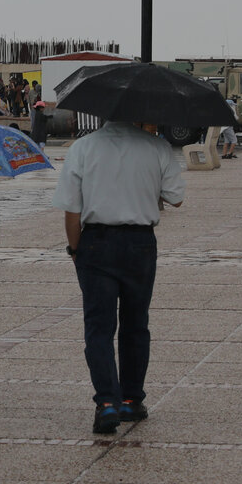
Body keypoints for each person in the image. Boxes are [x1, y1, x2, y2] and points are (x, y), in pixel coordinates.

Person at [52, 119, 186, 435]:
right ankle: (131, 399)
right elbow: (176, 197)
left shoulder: (83, 147)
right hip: (140, 243)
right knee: (135, 324)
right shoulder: (157, 147)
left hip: (96, 242)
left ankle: (107, 403)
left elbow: (71, 210)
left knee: (99, 327)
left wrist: (75, 250)